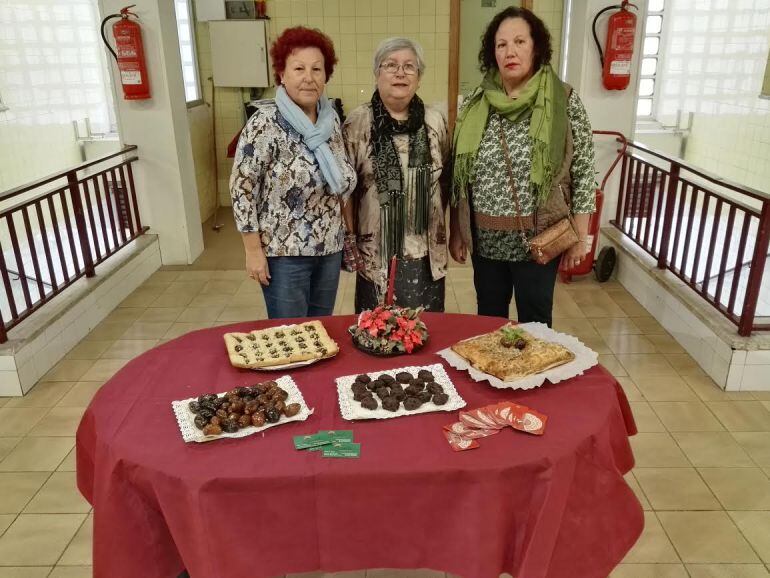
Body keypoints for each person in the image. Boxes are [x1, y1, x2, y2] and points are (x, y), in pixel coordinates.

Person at [449, 7, 596, 327]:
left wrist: (581, 234)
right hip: (485, 239)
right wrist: (458, 229)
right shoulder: (476, 101)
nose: (510, 51)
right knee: (488, 319)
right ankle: (493, 376)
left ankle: (534, 377)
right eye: (501, 44)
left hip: (540, 237)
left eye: (519, 41)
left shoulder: (564, 99)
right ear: (492, 53)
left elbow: (584, 170)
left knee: (536, 320)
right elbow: (460, 173)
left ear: (536, 47)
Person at [229, 26, 357, 319]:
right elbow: (242, 188)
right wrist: (252, 251)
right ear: (282, 75)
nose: (308, 77)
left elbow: (340, 178)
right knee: (292, 336)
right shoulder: (266, 122)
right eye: (298, 68)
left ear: (326, 76)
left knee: (322, 332)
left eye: (317, 69)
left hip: (328, 248)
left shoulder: (330, 120)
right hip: (284, 253)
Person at [343, 37, 450, 313]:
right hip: (375, 254)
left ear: (419, 77)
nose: (400, 73)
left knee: (426, 336)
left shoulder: (434, 122)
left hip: (426, 254)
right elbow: (345, 191)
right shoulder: (358, 123)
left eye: (409, 66)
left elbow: (446, 180)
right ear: (377, 73)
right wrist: (351, 239)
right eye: (390, 65)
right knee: (377, 338)